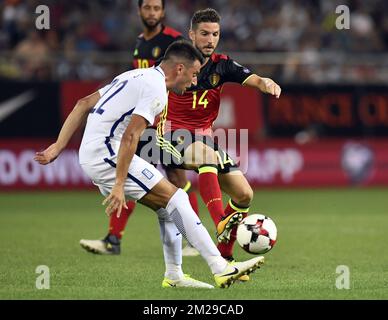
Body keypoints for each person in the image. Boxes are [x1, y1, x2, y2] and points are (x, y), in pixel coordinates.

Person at [34, 40, 265, 289]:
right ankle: (221, 268)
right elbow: (131, 136)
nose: (195, 82)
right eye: (194, 74)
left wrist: (58, 146)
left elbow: (83, 103)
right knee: (178, 199)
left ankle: (174, 275)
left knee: (167, 209)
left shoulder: (134, 75)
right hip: (108, 153)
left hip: (95, 152)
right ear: (179, 69)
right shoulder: (156, 89)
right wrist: (119, 184)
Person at [155, 8, 281, 276]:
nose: (210, 40)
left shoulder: (222, 65)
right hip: (168, 135)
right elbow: (151, 85)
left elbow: (254, 79)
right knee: (206, 156)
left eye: (215, 34)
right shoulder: (175, 62)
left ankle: (226, 259)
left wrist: (266, 82)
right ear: (191, 34)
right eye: (204, 34)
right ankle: (220, 222)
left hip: (203, 139)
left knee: (244, 194)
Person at [79, 0, 200, 256]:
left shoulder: (174, 42)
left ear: (164, 12)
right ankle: (114, 239)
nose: (152, 13)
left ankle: (190, 240)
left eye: (157, 8)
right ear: (139, 11)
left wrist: (172, 120)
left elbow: (185, 80)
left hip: (163, 123)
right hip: (142, 121)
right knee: (141, 176)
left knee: (173, 179)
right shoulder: (139, 43)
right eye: (148, 8)